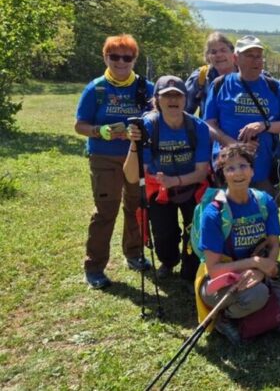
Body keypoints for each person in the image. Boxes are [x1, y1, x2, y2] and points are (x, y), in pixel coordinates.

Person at [195, 144, 280, 343]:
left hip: (256, 275)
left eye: (243, 166)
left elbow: (274, 244)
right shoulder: (214, 212)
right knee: (259, 295)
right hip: (219, 282)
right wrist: (254, 262)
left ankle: (249, 315)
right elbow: (214, 270)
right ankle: (224, 318)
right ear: (224, 175)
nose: (238, 172)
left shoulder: (264, 202)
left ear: (252, 170)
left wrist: (262, 270)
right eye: (230, 168)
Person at [74, 34, 155, 289]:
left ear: (135, 59)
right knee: (105, 211)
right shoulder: (96, 88)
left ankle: (134, 254)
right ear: (105, 57)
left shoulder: (146, 88)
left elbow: (157, 117)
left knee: (136, 206)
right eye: (114, 56)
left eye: (127, 57)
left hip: (135, 156)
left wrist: (144, 130)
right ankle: (95, 267)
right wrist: (101, 131)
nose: (121, 62)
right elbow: (80, 125)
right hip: (103, 157)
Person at [124, 76, 211, 281]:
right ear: (157, 99)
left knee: (195, 230)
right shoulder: (148, 126)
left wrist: (176, 181)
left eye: (177, 95)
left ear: (185, 99)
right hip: (159, 189)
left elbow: (201, 172)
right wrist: (134, 143)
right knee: (164, 234)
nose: (172, 100)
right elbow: (131, 175)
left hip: (191, 186)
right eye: (166, 96)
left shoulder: (198, 127)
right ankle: (168, 261)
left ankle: (190, 271)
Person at [203, 35, 280, 203]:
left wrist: (263, 125)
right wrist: (234, 145)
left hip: (263, 170)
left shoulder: (274, 87)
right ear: (236, 58)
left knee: (264, 219)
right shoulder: (220, 85)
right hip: (228, 167)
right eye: (249, 55)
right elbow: (208, 124)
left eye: (258, 55)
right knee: (227, 218)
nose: (255, 60)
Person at [184, 32, 236, 117]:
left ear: (233, 53)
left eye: (223, 50)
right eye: (213, 52)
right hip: (208, 129)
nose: (219, 55)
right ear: (208, 56)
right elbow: (183, 111)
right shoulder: (201, 77)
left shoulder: (247, 75)